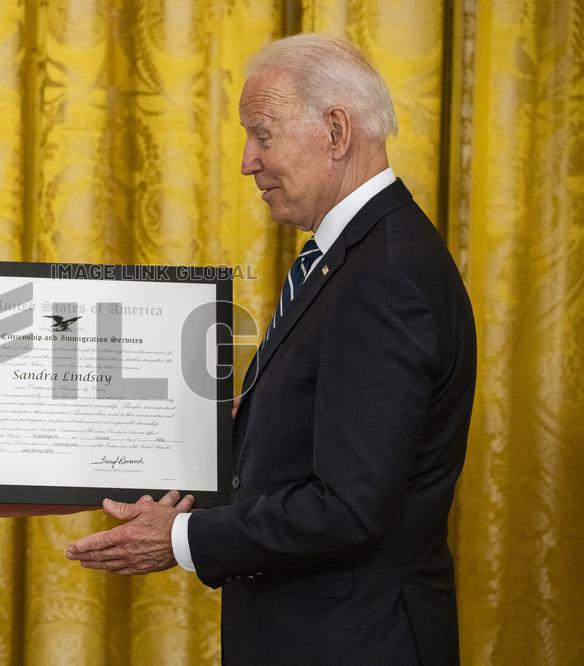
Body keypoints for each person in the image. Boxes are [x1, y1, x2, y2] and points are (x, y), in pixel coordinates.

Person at [66, 34, 476, 665]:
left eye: (263, 135)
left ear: (336, 131)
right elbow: (329, 439)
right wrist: (231, 436)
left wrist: (181, 538)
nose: (246, 162)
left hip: (356, 643)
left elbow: (348, 507)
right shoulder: (355, 254)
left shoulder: (383, 276)